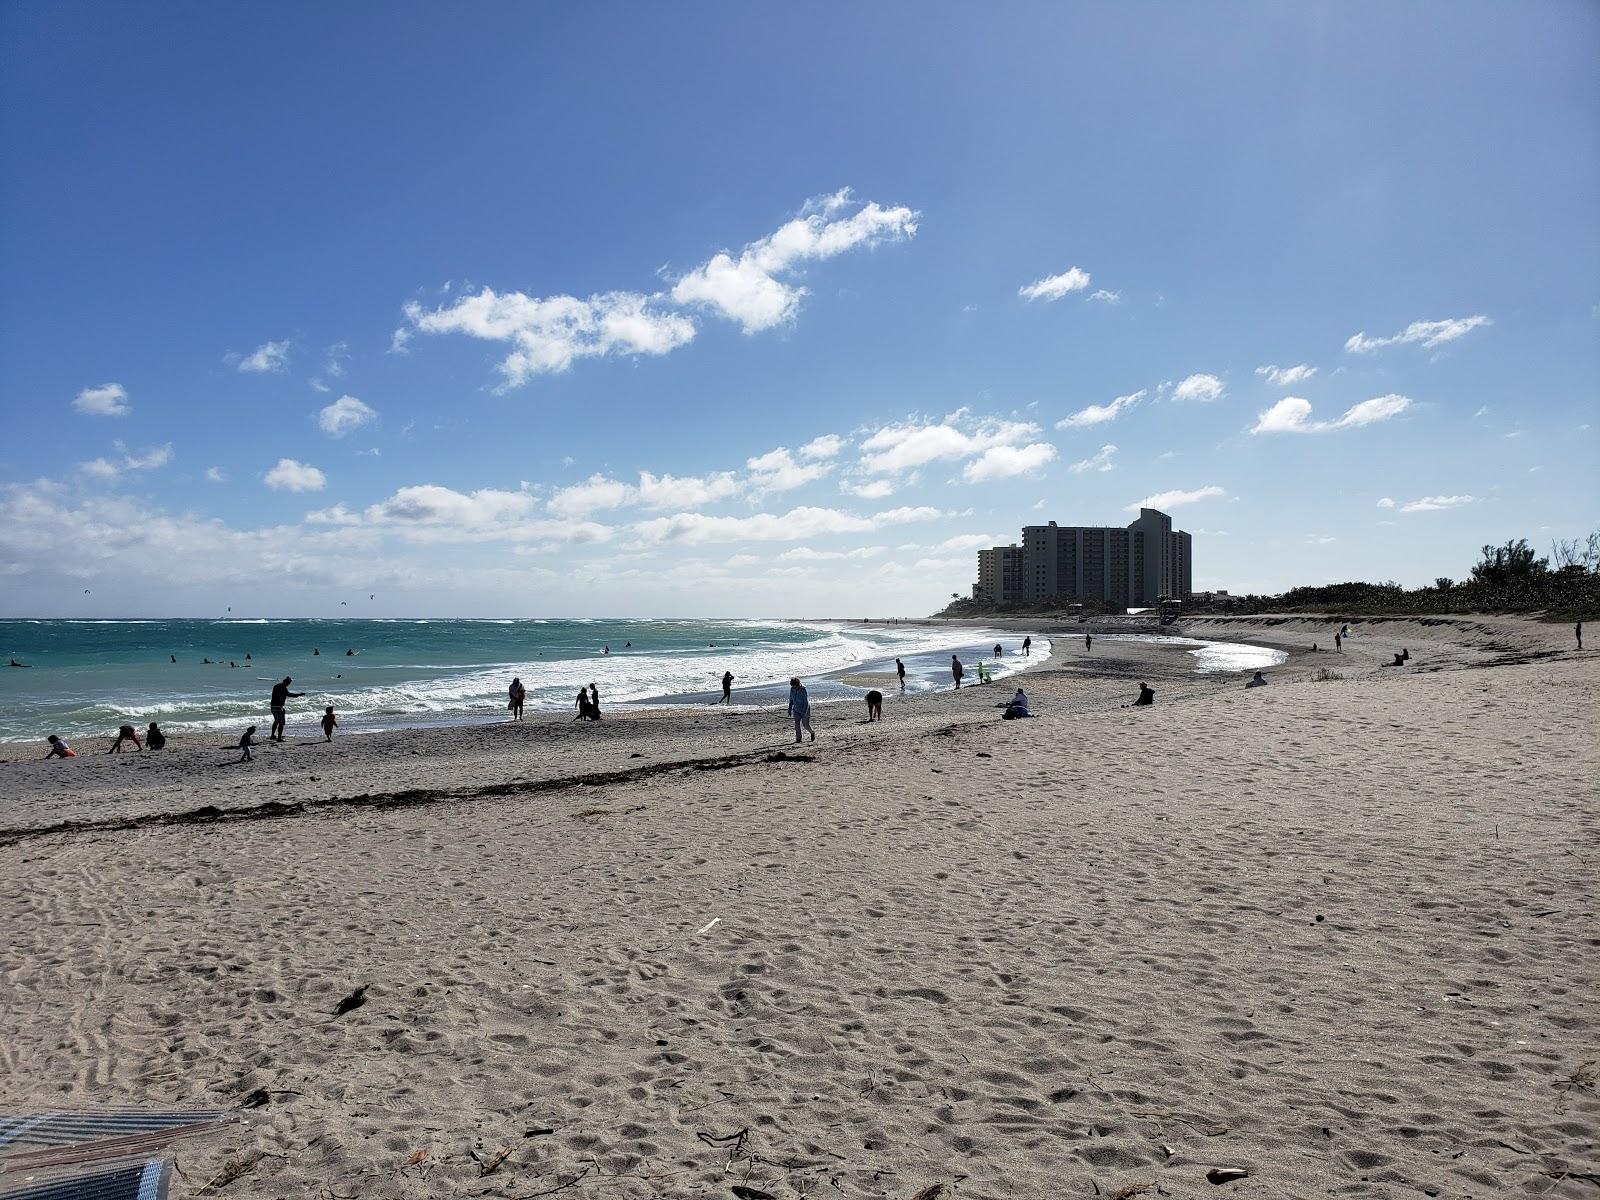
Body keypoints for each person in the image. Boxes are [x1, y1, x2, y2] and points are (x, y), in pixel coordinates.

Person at [269, 676, 303, 742]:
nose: (289, 684)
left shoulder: (276, 686)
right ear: (286, 682)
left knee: (276, 721)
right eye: (289, 682)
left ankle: (272, 735)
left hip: (273, 706)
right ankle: (279, 738)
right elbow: (289, 695)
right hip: (279, 707)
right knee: (281, 723)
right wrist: (299, 694)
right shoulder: (283, 688)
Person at [787, 677, 814, 743]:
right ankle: (798, 739)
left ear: (798, 684)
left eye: (795, 687)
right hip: (796, 709)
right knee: (797, 724)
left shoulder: (803, 690)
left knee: (805, 725)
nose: (794, 688)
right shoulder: (792, 689)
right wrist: (789, 708)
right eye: (793, 687)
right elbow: (791, 699)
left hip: (805, 709)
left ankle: (812, 732)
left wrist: (804, 712)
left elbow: (806, 702)